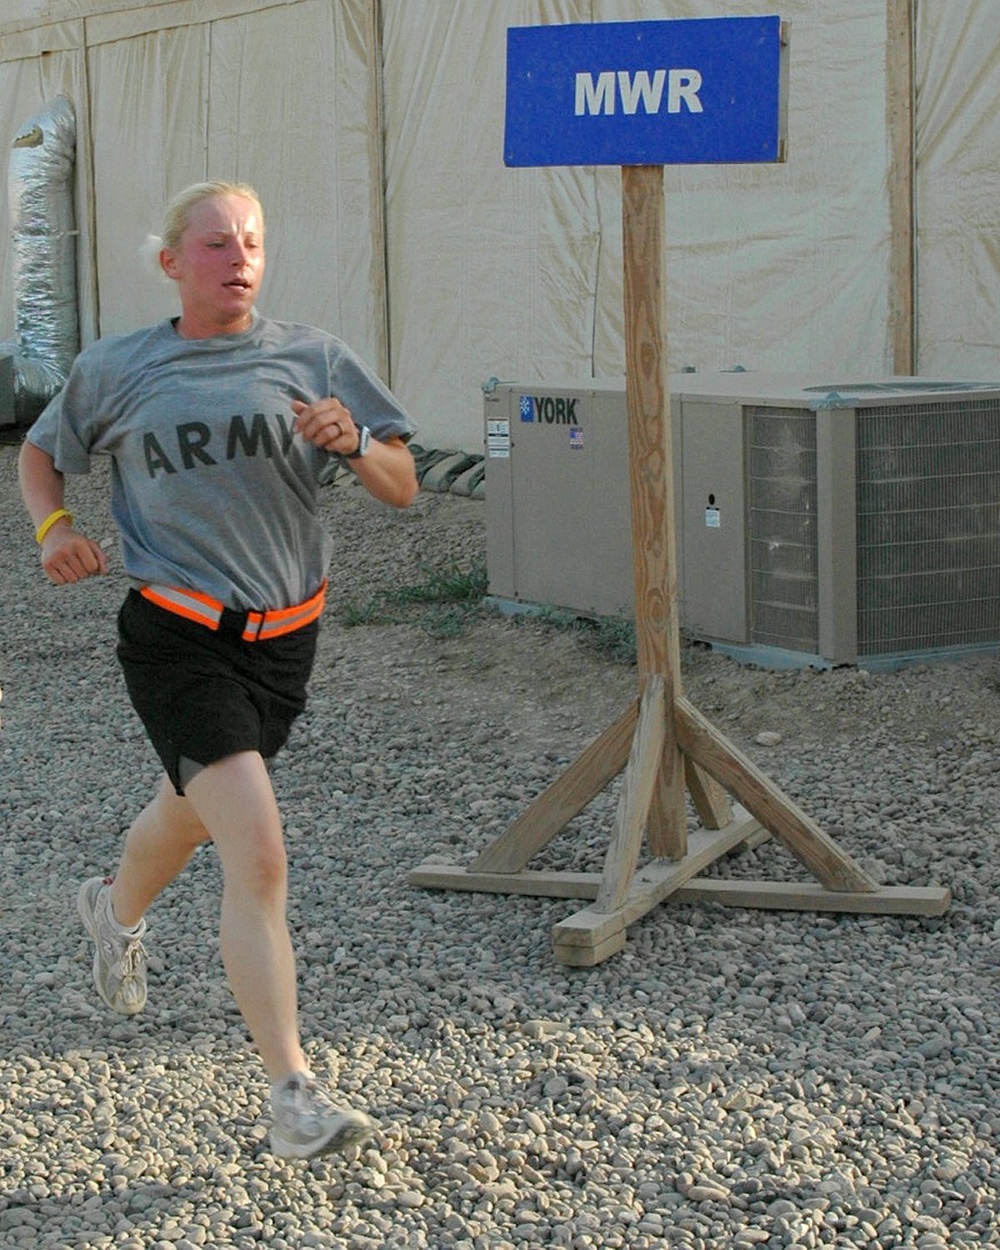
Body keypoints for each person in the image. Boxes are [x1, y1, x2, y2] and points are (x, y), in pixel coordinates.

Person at [18, 180, 419, 1160]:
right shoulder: (120, 367)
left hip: (285, 641)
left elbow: (402, 484)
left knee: (190, 809)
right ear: (169, 262)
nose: (236, 258)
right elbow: (39, 450)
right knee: (260, 852)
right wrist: (54, 526)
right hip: (176, 634)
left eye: (250, 242)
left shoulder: (312, 357)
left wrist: (355, 442)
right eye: (213, 244)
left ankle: (110, 910)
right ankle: (294, 1092)